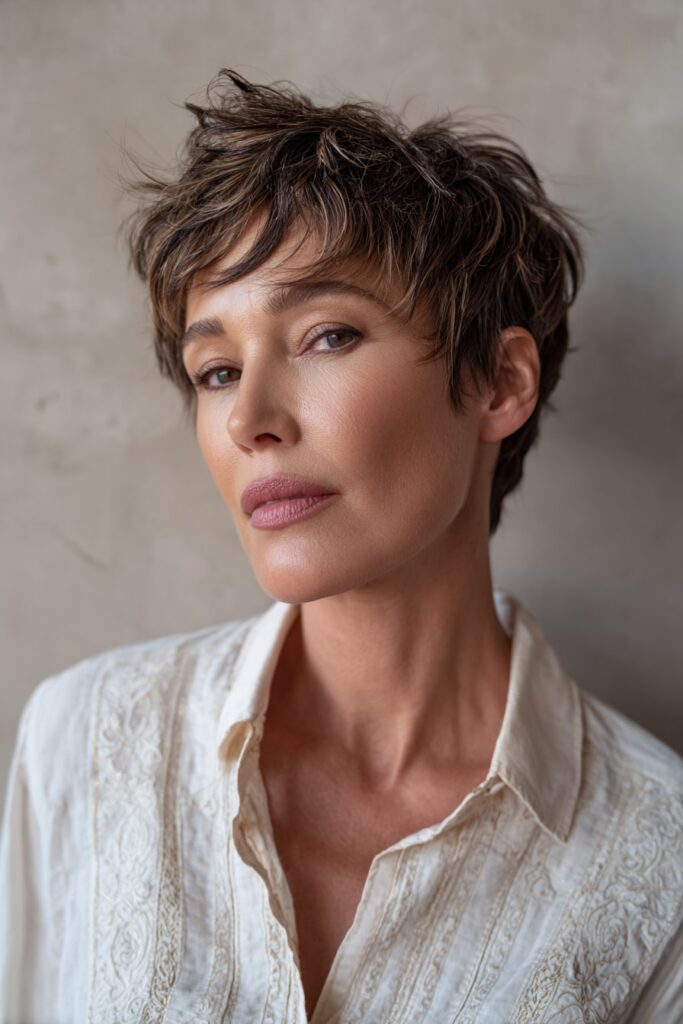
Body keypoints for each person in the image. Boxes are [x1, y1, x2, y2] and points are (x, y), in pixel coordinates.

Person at [1, 68, 681, 1024]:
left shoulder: (661, 864)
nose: (250, 419)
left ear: (497, 381)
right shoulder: (87, 738)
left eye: (324, 336)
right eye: (217, 367)